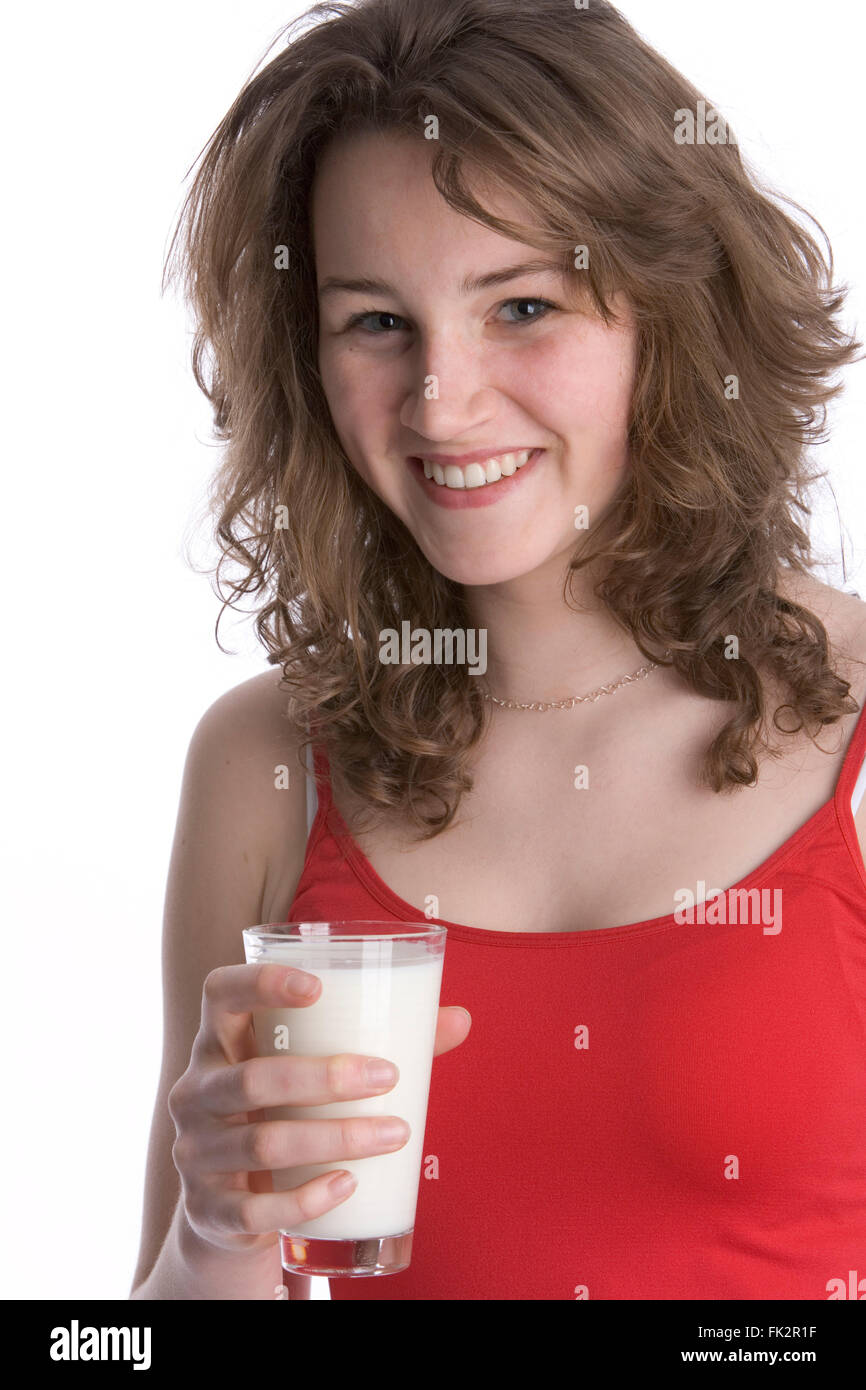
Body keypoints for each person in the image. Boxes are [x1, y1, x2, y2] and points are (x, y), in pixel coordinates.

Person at [131, 0, 866, 1301]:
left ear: (670, 317)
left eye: (520, 304)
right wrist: (215, 1233)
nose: (440, 401)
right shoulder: (260, 760)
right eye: (374, 321)